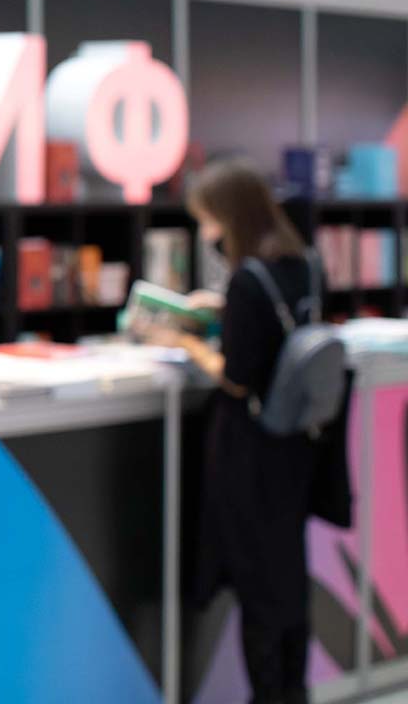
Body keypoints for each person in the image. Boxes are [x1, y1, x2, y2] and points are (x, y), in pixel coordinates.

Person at [144, 159, 318, 704]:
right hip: (294, 445)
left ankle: (267, 693)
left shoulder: (247, 280)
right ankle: (293, 690)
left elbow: (237, 378)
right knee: (287, 577)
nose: (205, 232)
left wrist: (186, 344)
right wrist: (221, 308)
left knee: (256, 586)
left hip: (250, 452)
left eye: (207, 219)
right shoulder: (303, 263)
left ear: (227, 215)